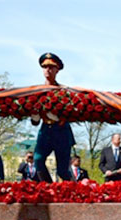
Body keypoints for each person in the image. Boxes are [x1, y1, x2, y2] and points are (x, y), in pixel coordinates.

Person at [31, 53, 75, 182]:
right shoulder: (37, 91)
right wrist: (35, 116)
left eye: (51, 67)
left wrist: (60, 117)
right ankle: (49, 187)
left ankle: (75, 190)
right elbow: (35, 122)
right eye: (45, 67)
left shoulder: (63, 91)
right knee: (38, 159)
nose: (47, 70)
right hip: (46, 130)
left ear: (57, 70)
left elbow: (72, 113)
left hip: (61, 131)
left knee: (62, 170)